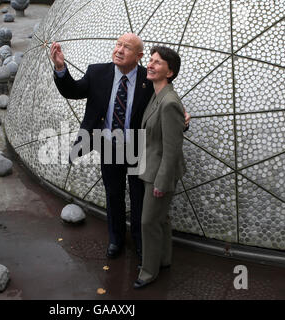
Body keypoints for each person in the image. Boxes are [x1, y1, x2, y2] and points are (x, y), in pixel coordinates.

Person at [50, 34, 190, 261]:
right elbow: (73, 91)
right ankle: (115, 240)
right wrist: (60, 69)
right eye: (118, 45)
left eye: (127, 47)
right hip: (109, 146)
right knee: (113, 195)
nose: (120, 50)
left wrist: (183, 121)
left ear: (139, 56)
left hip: (138, 149)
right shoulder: (97, 72)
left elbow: (167, 110)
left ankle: (139, 241)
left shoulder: (150, 77)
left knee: (138, 198)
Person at [133, 46, 186, 289]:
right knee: (160, 218)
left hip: (159, 174)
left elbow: (172, 148)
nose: (151, 65)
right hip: (151, 168)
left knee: (148, 222)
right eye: (151, 61)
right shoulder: (157, 95)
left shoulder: (169, 103)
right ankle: (163, 260)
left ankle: (148, 272)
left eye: (158, 63)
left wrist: (162, 183)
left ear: (170, 72)